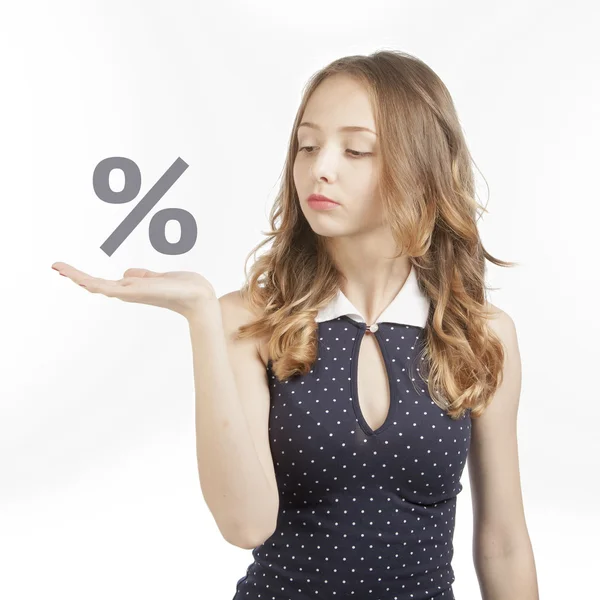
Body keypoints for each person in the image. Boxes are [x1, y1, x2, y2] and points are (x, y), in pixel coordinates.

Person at [52, 50, 539, 599]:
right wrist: (201, 317)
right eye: (307, 145)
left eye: (356, 150)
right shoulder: (248, 321)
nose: (319, 167)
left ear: (422, 169)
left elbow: (503, 542)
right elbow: (245, 525)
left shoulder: (483, 334)